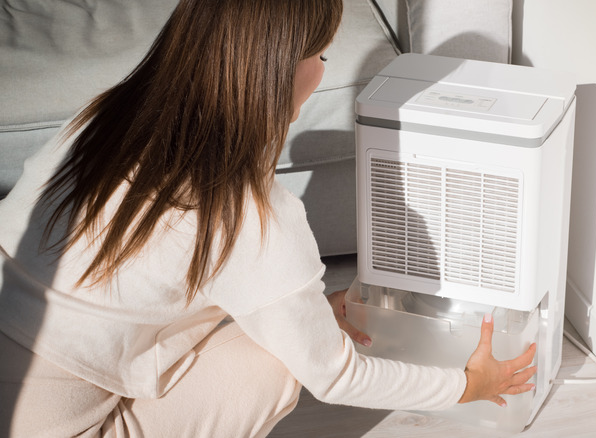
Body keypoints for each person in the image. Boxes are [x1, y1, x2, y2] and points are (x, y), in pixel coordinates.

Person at [0, 0, 537, 436]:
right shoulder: (247, 214)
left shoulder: (104, 115)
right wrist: (469, 384)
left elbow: (125, 285)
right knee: (277, 365)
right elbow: (335, 378)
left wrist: (300, 310)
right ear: (279, 69)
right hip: (58, 426)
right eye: (321, 55)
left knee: (279, 331)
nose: (323, 71)